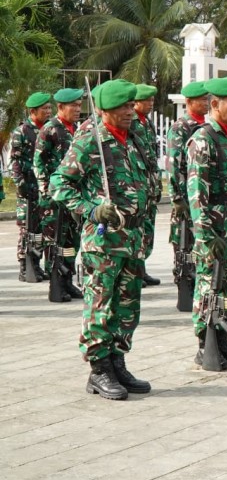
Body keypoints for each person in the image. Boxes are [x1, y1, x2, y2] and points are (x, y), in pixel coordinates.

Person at [50, 79, 152, 400]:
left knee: (127, 303)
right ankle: (99, 369)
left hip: (133, 235)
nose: (129, 111)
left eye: (130, 105)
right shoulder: (91, 139)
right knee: (100, 302)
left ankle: (117, 360)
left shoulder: (133, 136)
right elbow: (60, 184)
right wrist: (92, 210)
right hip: (104, 239)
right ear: (105, 110)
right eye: (122, 107)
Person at [186, 77, 227, 369]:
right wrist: (205, 235)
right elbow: (197, 194)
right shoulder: (204, 139)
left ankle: (224, 337)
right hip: (216, 230)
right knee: (209, 287)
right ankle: (206, 344)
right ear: (215, 104)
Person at [34, 88, 84, 301]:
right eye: (74, 105)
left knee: (71, 243)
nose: (78, 109)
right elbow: (38, 163)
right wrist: (48, 190)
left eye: (80, 105)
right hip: (54, 200)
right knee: (55, 242)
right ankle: (56, 285)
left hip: (71, 197)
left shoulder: (74, 129)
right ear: (61, 107)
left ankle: (68, 280)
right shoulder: (50, 129)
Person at [167, 81, 208, 299]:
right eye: (202, 100)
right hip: (185, 198)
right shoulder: (181, 127)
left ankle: (195, 282)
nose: (206, 103)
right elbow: (174, 163)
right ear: (190, 102)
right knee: (183, 244)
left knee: (197, 244)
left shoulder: (205, 126)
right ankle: (184, 283)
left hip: (199, 198)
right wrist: (177, 197)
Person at [12, 91, 53, 282]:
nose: (48, 111)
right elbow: (16, 162)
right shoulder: (22, 131)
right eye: (44, 109)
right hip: (27, 187)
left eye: (49, 108)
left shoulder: (49, 129)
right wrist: (21, 185)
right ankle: (24, 265)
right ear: (33, 111)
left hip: (44, 187)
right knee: (26, 228)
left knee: (42, 228)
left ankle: (37, 264)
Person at [131, 84, 162, 286]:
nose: (150, 104)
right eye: (146, 101)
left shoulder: (147, 122)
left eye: (152, 100)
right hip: (137, 184)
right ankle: (133, 271)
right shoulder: (132, 122)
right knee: (136, 229)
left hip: (150, 184)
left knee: (147, 229)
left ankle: (141, 268)